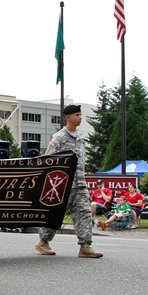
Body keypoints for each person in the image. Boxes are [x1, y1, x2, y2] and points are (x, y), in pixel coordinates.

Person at [35, 105, 102, 257]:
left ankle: (85, 246)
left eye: (80, 114)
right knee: (54, 214)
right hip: (62, 185)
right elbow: (48, 159)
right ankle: (43, 242)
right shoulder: (59, 138)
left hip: (79, 184)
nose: (80, 117)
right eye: (77, 115)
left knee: (84, 213)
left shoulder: (80, 138)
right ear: (68, 117)